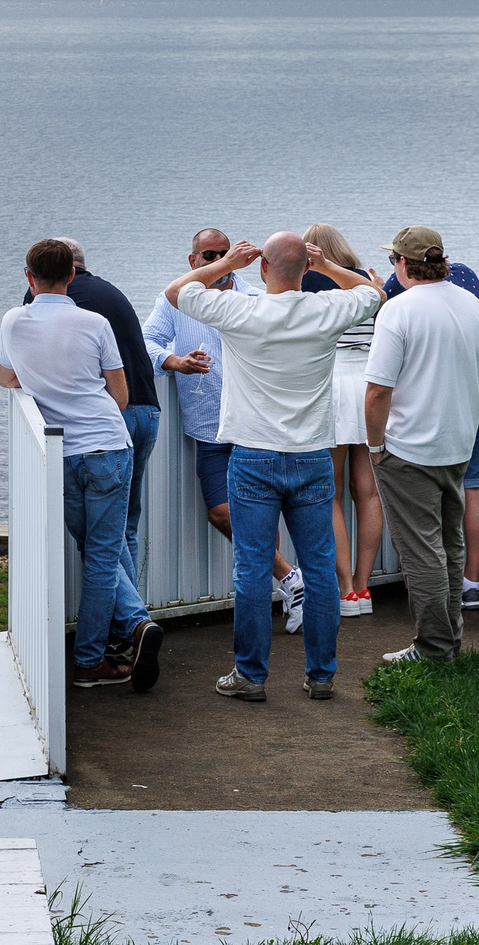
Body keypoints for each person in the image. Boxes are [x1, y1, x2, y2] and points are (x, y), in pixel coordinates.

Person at [164, 231, 384, 703]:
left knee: (251, 567)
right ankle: (321, 674)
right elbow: (373, 291)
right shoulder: (325, 311)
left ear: (261, 268)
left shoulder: (241, 312)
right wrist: (324, 266)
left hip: (254, 457)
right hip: (311, 457)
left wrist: (226, 264)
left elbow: (177, 292)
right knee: (321, 569)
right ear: (305, 268)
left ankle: (251, 676)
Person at [0, 237, 161, 691]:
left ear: (28, 278)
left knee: (94, 550)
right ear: (72, 275)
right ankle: (107, 647)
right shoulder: (94, 322)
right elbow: (121, 395)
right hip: (109, 447)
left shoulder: (13, 321)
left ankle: (120, 638)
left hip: (61, 455)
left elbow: (6, 377)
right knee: (104, 554)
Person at [143, 226, 304, 632]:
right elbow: (146, 342)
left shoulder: (254, 299)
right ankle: (291, 579)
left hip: (253, 426)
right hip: (208, 428)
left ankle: (284, 595)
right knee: (221, 513)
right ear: (193, 261)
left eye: (222, 254)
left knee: (261, 513)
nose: (216, 262)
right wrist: (174, 360)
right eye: (208, 255)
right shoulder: (177, 299)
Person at [364, 226, 479, 666]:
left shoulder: (397, 312)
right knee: (450, 547)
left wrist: (375, 447)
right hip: (456, 446)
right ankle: (449, 641)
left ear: (402, 263)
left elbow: (378, 391)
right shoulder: (472, 304)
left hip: (407, 450)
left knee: (421, 552)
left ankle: (435, 650)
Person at [28, 241, 162, 619]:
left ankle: (132, 627)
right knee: (124, 531)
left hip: (102, 425)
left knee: (102, 546)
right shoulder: (112, 294)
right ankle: (133, 626)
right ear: (78, 268)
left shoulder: (41, 298)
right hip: (146, 413)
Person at [383, 252, 479, 609]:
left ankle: (433, 596)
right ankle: (470, 584)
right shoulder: (467, 282)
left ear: (405, 262)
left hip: (446, 400)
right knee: (477, 484)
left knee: (428, 500)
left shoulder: (401, 287)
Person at [302, 223, 384, 620]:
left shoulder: (306, 288)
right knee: (368, 494)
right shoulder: (367, 284)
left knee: (330, 494)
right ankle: (365, 587)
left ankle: (345, 590)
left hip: (331, 387)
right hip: (368, 388)